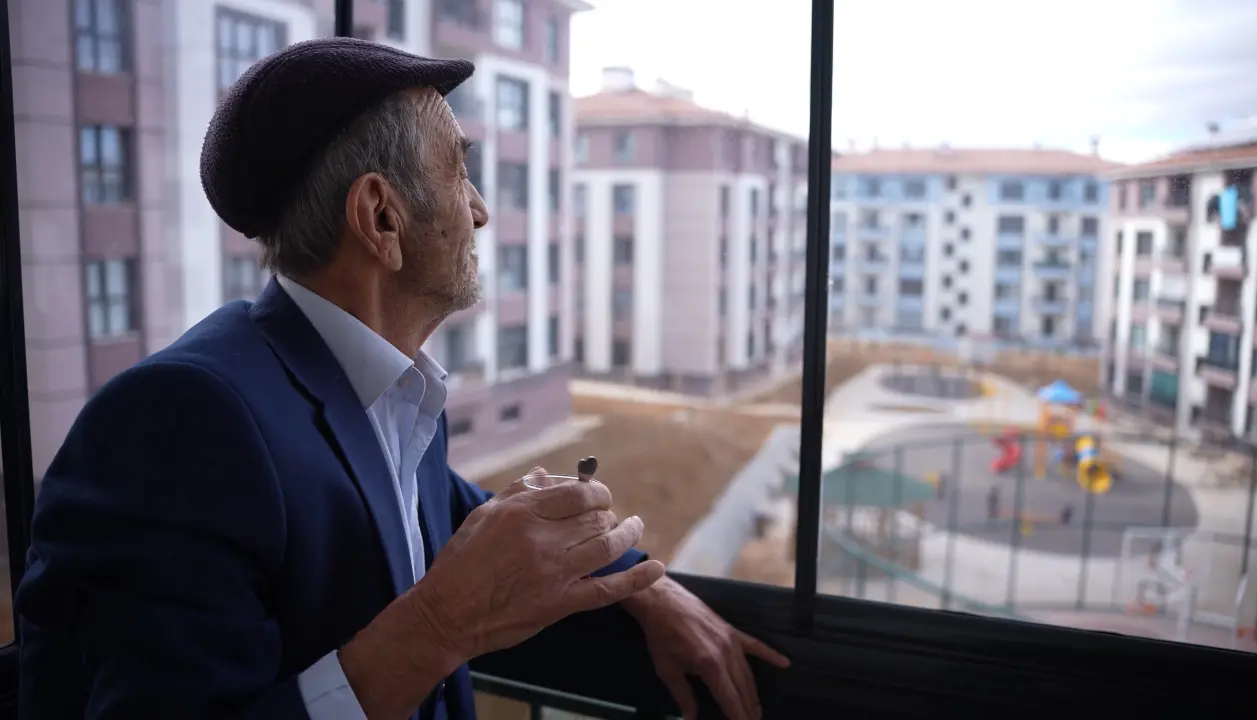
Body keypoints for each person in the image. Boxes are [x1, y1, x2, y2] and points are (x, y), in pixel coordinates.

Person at [14, 38, 787, 720]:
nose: (480, 211)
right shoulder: (181, 422)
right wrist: (439, 627)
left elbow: (446, 504)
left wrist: (643, 583)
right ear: (381, 218)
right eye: (459, 170)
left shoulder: (389, 390)